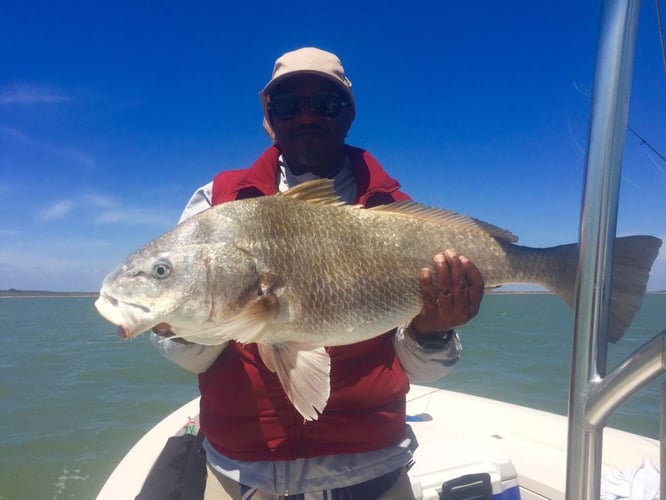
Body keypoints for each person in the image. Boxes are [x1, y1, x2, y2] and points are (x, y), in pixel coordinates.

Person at [151, 46, 484, 500]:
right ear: (269, 116)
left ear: (348, 114)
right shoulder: (219, 202)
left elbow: (422, 372)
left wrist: (433, 331)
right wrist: (183, 322)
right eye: (288, 106)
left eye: (325, 104)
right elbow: (192, 358)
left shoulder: (395, 213)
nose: (306, 117)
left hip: (373, 468)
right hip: (242, 471)